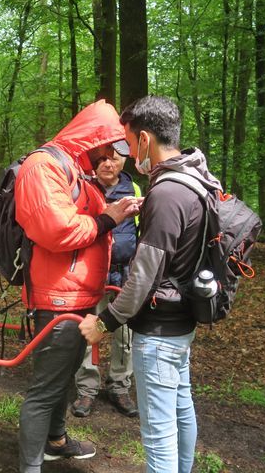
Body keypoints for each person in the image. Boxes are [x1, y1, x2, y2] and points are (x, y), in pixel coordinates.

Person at [80, 95, 222, 472]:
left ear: (144, 139)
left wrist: (104, 322)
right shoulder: (195, 180)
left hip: (158, 333)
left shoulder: (166, 192)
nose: (126, 153)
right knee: (181, 408)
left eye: (127, 143)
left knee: (159, 436)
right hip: (182, 324)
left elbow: (143, 275)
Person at [15, 100, 141, 473]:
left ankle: (55, 442)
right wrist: (108, 218)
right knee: (45, 388)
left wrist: (116, 214)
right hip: (57, 296)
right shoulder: (44, 166)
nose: (109, 158)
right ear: (95, 138)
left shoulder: (72, 167)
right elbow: (57, 231)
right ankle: (31, 466)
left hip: (78, 294)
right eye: (107, 147)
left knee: (63, 379)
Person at [72, 150, 141, 418]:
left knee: (124, 335)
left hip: (124, 275)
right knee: (89, 331)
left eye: (112, 159)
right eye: (100, 160)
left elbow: (141, 230)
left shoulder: (133, 187)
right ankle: (86, 389)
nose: (107, 164)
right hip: (92, 272)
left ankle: (119, 387)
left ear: (123, 160)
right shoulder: (85, 188)